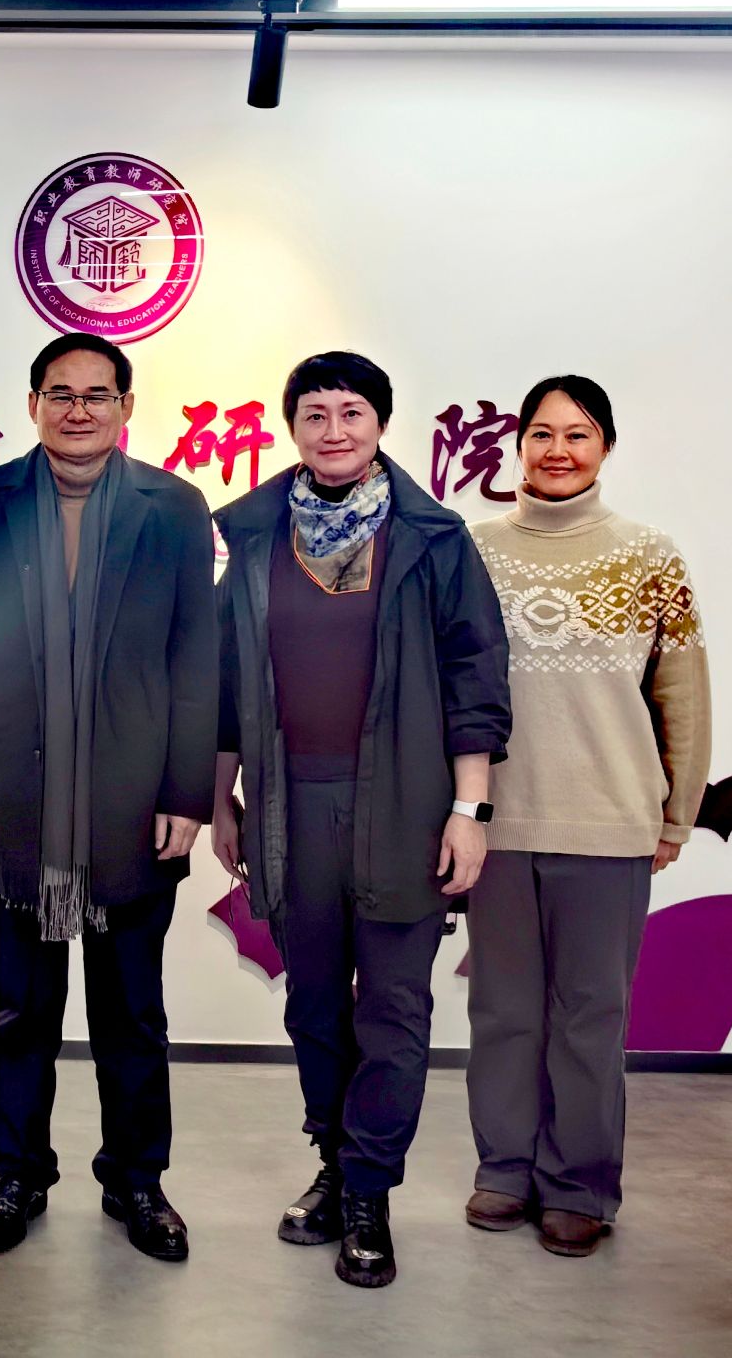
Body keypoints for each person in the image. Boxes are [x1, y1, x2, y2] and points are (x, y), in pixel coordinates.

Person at [212, 351, 511, 1289]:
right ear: (291, 428)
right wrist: (222, 797)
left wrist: (469, 809)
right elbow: (226, 681)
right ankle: (334, 1167)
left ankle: (370, 1192)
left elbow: (474, 676)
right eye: (315, 414)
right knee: (311, 1002)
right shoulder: (255, 535)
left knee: (393, 1005)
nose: (333, 430)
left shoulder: (432, 538)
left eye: (352, 412)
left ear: (380, 424)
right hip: (288, 805)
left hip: (407, 804)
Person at [0, 331, 219, 1262]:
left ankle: (138, 1181)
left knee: (132, 1012)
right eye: (61, 393)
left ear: (126, 407)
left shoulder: (174, 509)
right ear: (33, 405)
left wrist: (188, 793)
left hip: (134, 806)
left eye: (98, 394)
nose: (79, 409)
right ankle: (16, 1175)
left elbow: (195, 658)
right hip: (15, 797)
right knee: (19, 1008)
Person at [464, 376, 711, 1258]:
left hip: (609, 824)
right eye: (541, 433)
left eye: (577, 433)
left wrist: (675, 815)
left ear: (605, 445)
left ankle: (580, 1184)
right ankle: (504, 1169)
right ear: (518, 445)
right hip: (496, 825)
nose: (558, 450)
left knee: (591, 1015)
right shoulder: (473, 550)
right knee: (503, 1012)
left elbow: (682, 693)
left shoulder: (648, 556)